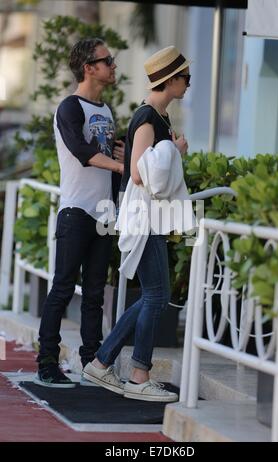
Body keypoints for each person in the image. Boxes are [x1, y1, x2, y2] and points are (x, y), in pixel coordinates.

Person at [82, 46, 192, 402]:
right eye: (185, 78)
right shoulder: (147, 118)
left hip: (151, 218)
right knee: (157, 296)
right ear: (171, 80)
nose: (188, 84)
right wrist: (175, 150)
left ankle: (102, 363)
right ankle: (138, 375)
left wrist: (173, 147)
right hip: (143, 218)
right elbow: (139, 171)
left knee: (152, 295)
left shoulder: (159, 117)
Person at [34, 38, 125, 388]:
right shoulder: (70, 108)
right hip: (75, 212)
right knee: (61, 289)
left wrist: (122, 151)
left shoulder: (105, 110)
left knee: (94, 294)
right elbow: (83, 152)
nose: (113, 66)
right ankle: (46, 362)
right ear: (89, 67)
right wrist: (121, 167)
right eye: (108, 60)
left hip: (103, 213)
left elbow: (105, 152)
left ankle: (92, 362)